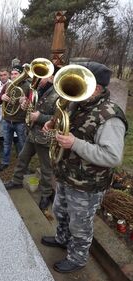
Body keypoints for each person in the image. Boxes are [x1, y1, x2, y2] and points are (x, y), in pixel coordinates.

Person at [41, 61, 127, 273]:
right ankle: (62, 239)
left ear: (96, 87)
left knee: (80, 225)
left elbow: (112, 157)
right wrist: (52, 124)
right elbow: (64, 121)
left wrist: (75, 144)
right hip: (66, 174)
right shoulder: (78, 104)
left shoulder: (110, 116)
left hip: (87, 184)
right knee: (60, 211)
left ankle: (78, 258)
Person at [4, 72, 59, 211]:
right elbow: (31, 109)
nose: (38, 79)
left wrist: (39, 117)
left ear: (51, 78)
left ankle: (47, 194)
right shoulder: (36, 90)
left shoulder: (58, 94)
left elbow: (59, 119)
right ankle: (16, 181)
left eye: (42, 76)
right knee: (22, 157)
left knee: (46, 167)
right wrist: (25, 105)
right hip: (33, 133)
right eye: (37, 77)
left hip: (45, 136)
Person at [0, 65, 30, 171]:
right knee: (6, 143)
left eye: (16, 74)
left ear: (21, 75)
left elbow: (33, 103)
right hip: (7, 119)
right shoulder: (8, 85)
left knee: (22, 144)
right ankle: (5, 162)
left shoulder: (28, 86)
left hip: (20, 121)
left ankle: (23, 165)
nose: (14, 76)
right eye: (13, 74)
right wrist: (2, 97)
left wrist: (26, 99)